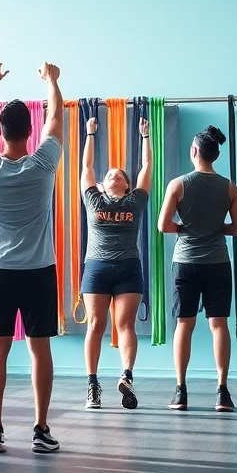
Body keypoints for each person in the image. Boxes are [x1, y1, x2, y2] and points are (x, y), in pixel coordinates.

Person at [0, 63, 64, 454]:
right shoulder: (43, 165)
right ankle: (41, 430)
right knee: (39, 349)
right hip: (38, 271)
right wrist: (52, 81)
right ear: (30, 131)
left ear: (0, 132)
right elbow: (57, 118)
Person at [157, 126, 237, 412]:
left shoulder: (178, 184)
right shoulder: (229, 186)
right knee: (219, 325)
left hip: (186, 264)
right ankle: (222, 392)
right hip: (218, 262)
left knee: (185, 324)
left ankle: (180, 391)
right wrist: (216, 227)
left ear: (194, 152)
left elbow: (164, 225)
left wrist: (185, 227)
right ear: (215, 155)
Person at [78, 114, 152, 411]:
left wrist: (145, 137)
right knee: (96, 324)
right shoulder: (93, 200)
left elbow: (147, 167)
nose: (114, 176)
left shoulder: (135, 202)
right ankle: (93, 385)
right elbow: (86, 167)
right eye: (110, 174)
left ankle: (127, 376)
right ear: (102, 184)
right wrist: (90, 134)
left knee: (126, 326)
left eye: (120, 175)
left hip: (127, 269)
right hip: (96, 268)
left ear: (128, 185)